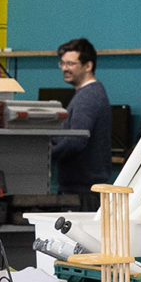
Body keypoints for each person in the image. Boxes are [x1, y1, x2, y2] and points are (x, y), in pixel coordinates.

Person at [47, 38, 114, 210]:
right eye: (62, 63)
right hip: (81, 192)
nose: (65, 68)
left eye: (70, 63)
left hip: (82, 195)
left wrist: (45, 155)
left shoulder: (88, 97)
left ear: (88, 66)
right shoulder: (88, 93)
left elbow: (76, 140)